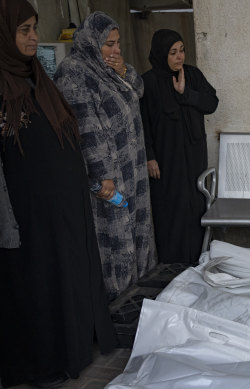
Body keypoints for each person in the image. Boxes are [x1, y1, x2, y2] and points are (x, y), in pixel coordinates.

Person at [0, 1, 116, 387]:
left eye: (35, 28)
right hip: (29, 215)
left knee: (70, 274)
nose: (34, 37)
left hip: (65, 204)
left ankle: (77, 349)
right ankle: (46, 363)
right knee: (41, 283)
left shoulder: (38, 79)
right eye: (24, 31)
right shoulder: (3, 86)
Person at [54, 11, 156, 300]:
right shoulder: (74, 71)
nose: (115, 50)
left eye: (118, 43)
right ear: (91, 42)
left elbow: (139, 90)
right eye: (108, 43)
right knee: (115, 239)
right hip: (108, 177)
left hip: (130, 168)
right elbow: (85, 126)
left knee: (135, 230)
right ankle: (115, 303)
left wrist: (124, 70)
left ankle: (137, 296)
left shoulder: (110, 68)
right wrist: (102, 175)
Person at [140, 29, 218, 263]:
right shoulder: (149, 83)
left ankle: (197, 258)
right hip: (166, 159)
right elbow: (143, 122)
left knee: (195, 206)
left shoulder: (192, 75)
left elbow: (211, 103)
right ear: (161, 53)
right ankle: (170, 263)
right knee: (170, 208)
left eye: (182, 50)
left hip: (194, 156)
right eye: (173, 52)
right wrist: (150, 156)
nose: (179, 57)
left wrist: (187, 94)